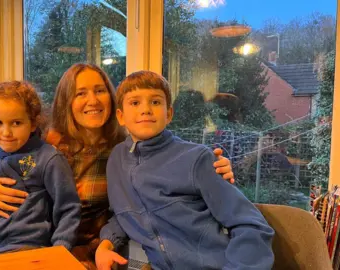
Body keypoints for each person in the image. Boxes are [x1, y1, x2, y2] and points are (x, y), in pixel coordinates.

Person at [0, 63, 235, 268]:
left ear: (112, 101)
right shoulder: (47, 145)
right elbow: (2, 160)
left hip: (109, 244)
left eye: (99, 91)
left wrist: (214, 165)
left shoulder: (124, 148)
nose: (93, 101)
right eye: (80, 93)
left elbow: (168, 156)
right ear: (67, 101)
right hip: (47, 245)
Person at [95, 70, 274, 270]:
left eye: (155, 102)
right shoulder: (117, 160)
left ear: (169, 113)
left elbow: (251, 225)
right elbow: (125, 213)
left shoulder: (197, 158)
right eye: (135, 103)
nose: (145, 109)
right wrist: (106, 243)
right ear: (120, 116)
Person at [0, 81, 81, 259]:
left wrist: (60, 249)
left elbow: (69, 208)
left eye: (16, 123)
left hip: (30, 251)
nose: (6, 132)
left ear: (32, 124)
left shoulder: (48, 158)